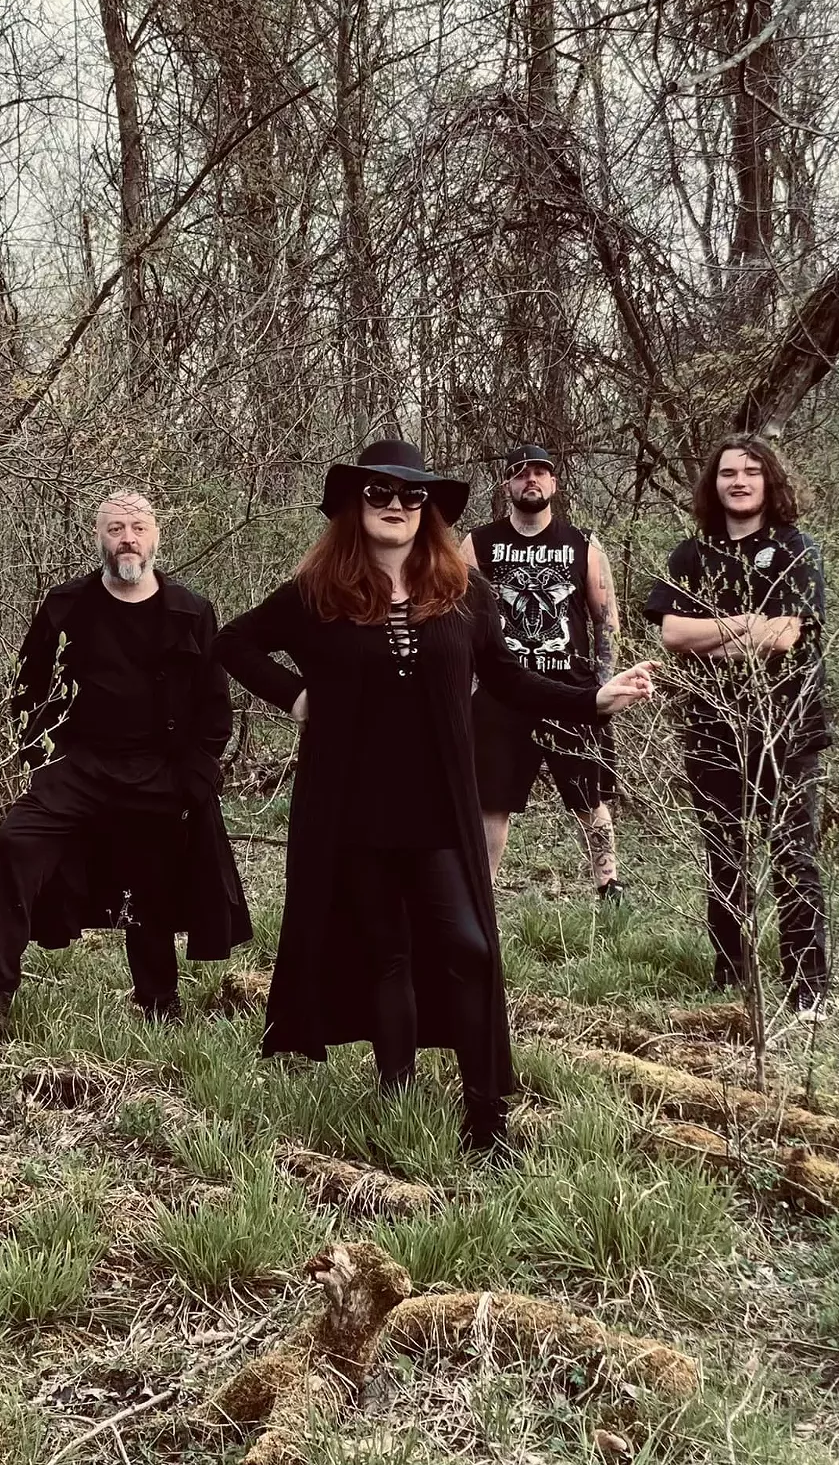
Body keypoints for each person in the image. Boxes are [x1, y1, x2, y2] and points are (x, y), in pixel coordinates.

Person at [215, 441, 656, 1152]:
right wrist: (295, 697)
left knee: (470, 946)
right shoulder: (317, 593)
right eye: (380, 493)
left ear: (429, 510)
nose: (396, 505)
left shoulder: (465, 593)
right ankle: (396, 1089)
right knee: (386, 952)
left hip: (441, 807)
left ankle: (488, 1117)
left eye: (412, 495)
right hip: (350, 808)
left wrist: (593, 698)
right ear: (355, 505)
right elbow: (234, 642)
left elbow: (509, 680)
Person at [0, 491, 251, 1024]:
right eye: (115, 528)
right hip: (76, 768)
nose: (128, 538)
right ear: (98, 537)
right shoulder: (66, 605)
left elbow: (214, 704)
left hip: (158, 770)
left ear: (156, 537)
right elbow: (28, 689)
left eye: (138, 528)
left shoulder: (190, 611)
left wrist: (192, 778)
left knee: (149, 879)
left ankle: (159, 1004)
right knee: (14, 843)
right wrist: (41, 758)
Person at [643, 435, 830, 1016]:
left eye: (751, 471)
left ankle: (807, 988)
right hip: (712, 726)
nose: (740, 481)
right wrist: (748, 622)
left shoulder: (796, 549)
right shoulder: (691, 554)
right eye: (728, 473)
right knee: (725, 855)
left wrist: (716, 634)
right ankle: (731, 976)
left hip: (787, 727)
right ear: (713, 484)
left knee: (793, 855)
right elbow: (673, 634)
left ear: (769, 482)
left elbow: (785, 637)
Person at [462, 444, 625, 898]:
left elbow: (606, 621)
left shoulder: (583, 544)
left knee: (589, 797)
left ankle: (609, 888)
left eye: (539, 472)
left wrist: (602, 686)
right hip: (501, 695)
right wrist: (468, 685)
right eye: (519, 473)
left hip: (570, 693)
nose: (530, 479)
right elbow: (458, 619)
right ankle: (481, 895)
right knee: (491, 802)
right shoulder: (477, 543)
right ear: (507, 485)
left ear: (554, 482)